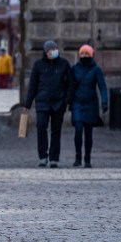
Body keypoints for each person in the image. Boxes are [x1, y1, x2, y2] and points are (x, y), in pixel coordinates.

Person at [23, 40, 73, 168]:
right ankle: (43, 156)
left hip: (58, 102)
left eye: (55, 48)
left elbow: (70, 84)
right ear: (45, 52)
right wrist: (27, 104)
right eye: (51, 49)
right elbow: (32, 86)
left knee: (56, 130)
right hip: (42, 102)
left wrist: (67, 100)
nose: (53, 51)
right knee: (41, 126)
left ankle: (54, 158)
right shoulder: (38, 65)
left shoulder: (64, 64)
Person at [70, 44, 108, 168]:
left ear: (91, 54)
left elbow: (102, 86)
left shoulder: (96, 69)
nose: (84, 55)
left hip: (91, 104)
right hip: (77, 103)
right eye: (82, 53)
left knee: (89, 133)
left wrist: (104, 102)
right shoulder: (75, 68)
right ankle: (77, 157)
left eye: (87, 53)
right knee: (78, 130)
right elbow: (70, 85)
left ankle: (87, 158)